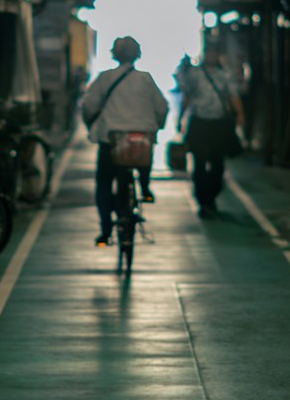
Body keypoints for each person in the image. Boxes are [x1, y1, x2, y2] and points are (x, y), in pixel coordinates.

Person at [81, 37, 169, 247]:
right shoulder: (146, 79)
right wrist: (157, 125)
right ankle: (145, 188)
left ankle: (105, 231)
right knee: (143, 157)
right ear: (137, 54)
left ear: (114, 54)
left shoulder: (104, 78)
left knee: (103, 183)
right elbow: (162, 107)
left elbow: (89, 106)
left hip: (111, 141)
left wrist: (90, 125)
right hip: (140, 142)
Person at [177, 37, 246, 218]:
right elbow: (187, 96)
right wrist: (180, 117)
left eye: (214, 53)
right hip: (199, 122)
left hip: (218, 124)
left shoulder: (225, 75)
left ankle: (211, 196)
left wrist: (240, 114)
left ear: (218, 56)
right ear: (205, 55)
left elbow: (233, 96)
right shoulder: (194, 74)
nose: (212, 56)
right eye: (209, 53)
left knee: (218, 165)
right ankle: (203, 201)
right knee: (199, 164)